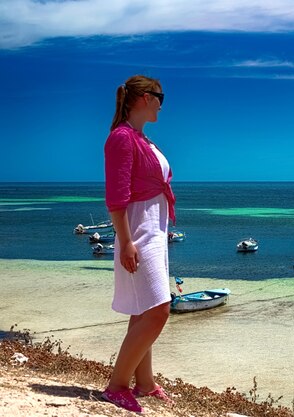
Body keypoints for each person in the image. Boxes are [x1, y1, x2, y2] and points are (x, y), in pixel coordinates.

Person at [101, 75, 176, 413]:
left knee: (145, 308)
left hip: (153, 234)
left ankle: (144, 382)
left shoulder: (142, 139)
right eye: (160, 96)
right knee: (160, 310)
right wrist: (127, 241)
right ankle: (117, 385)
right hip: (138, 235)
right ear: (144, 97)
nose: (163, 103)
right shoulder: (121, 139)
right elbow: (116, 199)